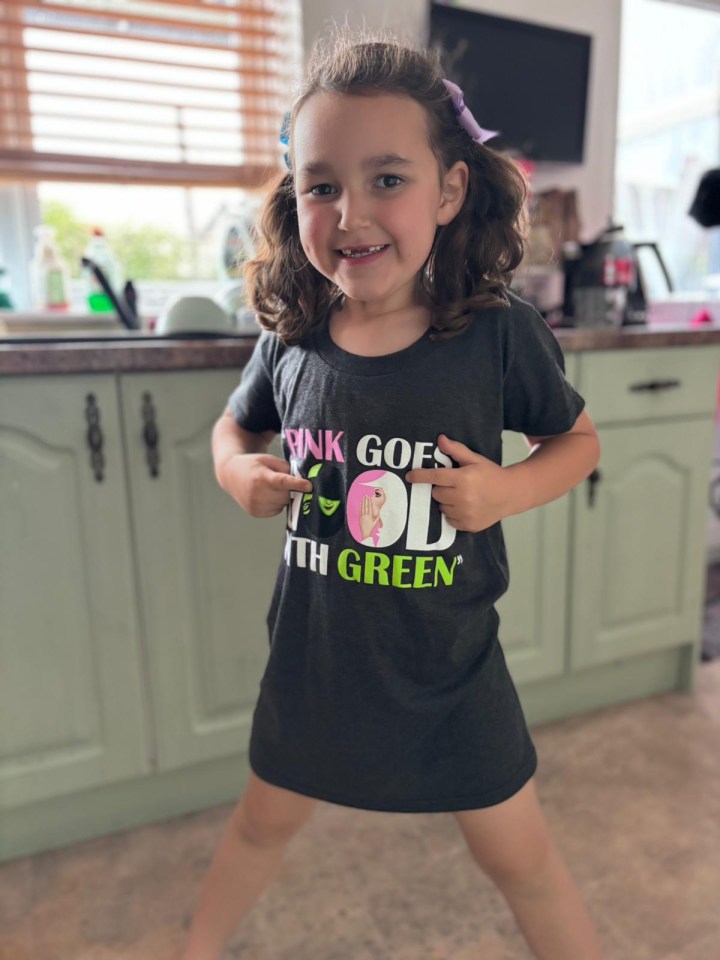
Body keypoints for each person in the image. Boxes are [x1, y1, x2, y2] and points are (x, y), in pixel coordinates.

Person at [181, 31, 604, 960]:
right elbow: (231, 428)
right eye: (321, 184)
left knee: (524, 863)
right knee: (257, 831)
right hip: (313, 671)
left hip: (451, 676)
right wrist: (235, 471)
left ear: (449, 190)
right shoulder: (290, 337)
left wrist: (505, 491)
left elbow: (575, 443)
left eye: (387, 179)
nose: (350, 212)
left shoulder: (496, 335)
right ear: (294, 201)